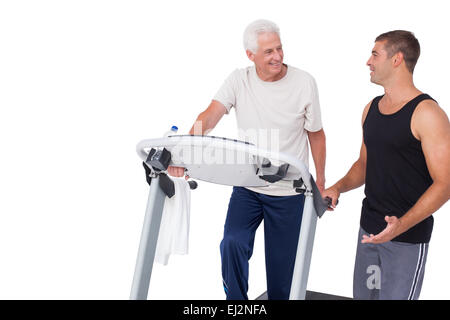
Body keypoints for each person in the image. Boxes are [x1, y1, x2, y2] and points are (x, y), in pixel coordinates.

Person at [168, 19, 326, 300]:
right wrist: (185, 154)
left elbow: (316, 135)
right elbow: (210, 115)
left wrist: (321, 183)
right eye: (268, 52)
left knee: (282, 281)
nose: (277, 56)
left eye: (279, 48)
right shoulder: (239, 80)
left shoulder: (304, 83)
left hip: (289, 192)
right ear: (250, 55)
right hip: (248, 187)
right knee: (232, 243)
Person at [323, 30, 450, 300]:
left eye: (375, 54)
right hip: (369, 232)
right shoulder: (371, 108)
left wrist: (401, 224)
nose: (368, 62)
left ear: (397, 59)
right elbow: (364, 164)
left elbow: (445, 184)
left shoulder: (427, 113)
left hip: (405, 239)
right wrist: (338, 187)